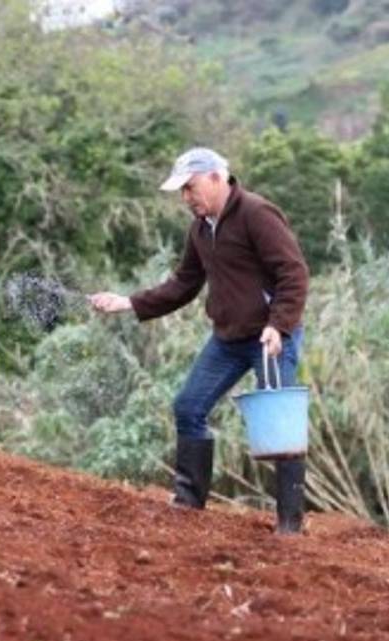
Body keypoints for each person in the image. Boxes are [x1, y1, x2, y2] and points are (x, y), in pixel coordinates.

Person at [89, 147, 310, 534]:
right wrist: (127, 302)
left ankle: (290, 523)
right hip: (228, 338)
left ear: (216, 178)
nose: (186, 198)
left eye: (190, 187)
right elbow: (183, 284)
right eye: (182, 191)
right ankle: (189, 503)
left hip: (269, 336)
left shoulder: (257, 214)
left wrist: (279, 325)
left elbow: (294, 273)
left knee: (279, 420)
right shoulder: (200, 229)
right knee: (188, 407)